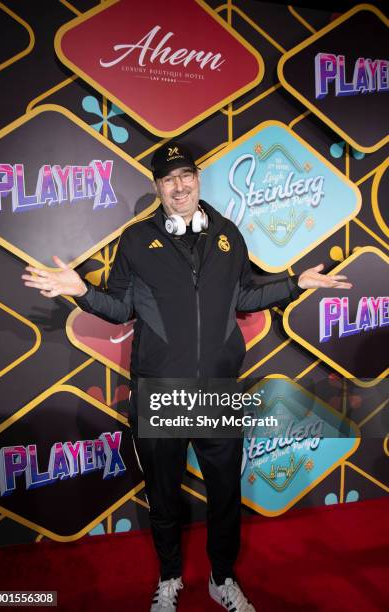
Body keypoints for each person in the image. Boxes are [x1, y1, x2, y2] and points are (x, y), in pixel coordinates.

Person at [22, 142, 352, 612]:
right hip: (160, 391)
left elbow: (245, 296)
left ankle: (221, 578)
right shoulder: (136, 240)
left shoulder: (228, 234)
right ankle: (171, 577)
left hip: (218, 391)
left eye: (187, 176)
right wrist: (81, 292)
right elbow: (118, 309)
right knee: (163, 499)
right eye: (168, 179)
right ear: (158, 187)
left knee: (225, 495)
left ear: (198, 179)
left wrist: (294, 285)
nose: (180, 186)